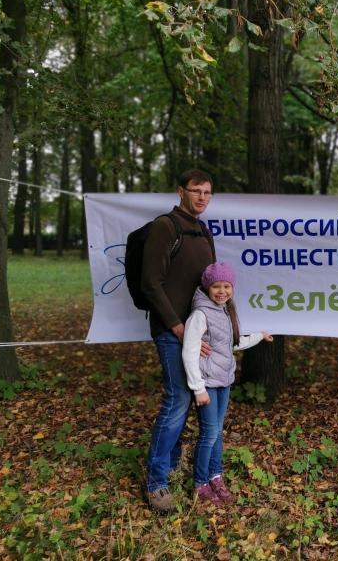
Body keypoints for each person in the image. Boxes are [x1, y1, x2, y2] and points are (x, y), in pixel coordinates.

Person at [143, 169, 216, 514]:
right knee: (179, 398)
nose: (202, 197)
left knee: (186, 398)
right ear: (181, 191)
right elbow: (150, 283)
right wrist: (177, 326)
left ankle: (171, 463)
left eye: (207, 192)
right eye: (196, 190)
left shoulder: (203, 231)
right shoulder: (165, 227)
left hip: (197, 332)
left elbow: (209, 283)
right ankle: (156, 483)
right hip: (172, 330)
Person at [182, 262, 273, 506]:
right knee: (209, 434)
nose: (222, 291)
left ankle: (215, 476)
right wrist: (198, 388)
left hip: (224, 380)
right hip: (207, 383)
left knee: (217, 432)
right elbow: (189, 351)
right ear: (207, 287)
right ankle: (200, 483)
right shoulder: (200, 314)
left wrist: (259, 336)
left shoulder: (225, 310)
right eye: (216, 286)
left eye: (226, 286)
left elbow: (231, 343)